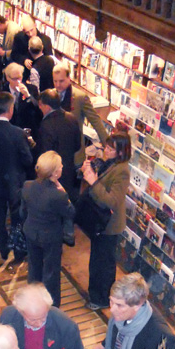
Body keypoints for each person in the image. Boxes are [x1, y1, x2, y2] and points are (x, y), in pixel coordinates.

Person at [81, 132, 131, 310]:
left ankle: (101, 299)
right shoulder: (111, 164)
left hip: (108, 225)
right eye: (106, 147)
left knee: (103, 264)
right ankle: (97, 295)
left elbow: (111, 201)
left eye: (111, 149)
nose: (106, 151)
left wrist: (93, 181)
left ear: (120, 152)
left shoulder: (122, 170)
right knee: (97, 260)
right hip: (99, 222)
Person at [0, 91, 33, 261]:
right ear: (10, 109)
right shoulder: (18, 133)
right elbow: (28, 160)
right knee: (17, 218)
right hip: (14, 183)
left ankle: (3, 250)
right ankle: (18, 251)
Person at [21, 151, 75, 307]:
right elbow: (70, 212)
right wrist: (65, 194)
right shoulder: (58, 196)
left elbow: (23, 211)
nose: (63, 167)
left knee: (34, 267)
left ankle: (32, 301)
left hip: (31, 232)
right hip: (50, 237)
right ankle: (51, 306)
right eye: (60, 165)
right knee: (50, 272)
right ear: (55, 172)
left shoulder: (27, 186)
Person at [52, 63, 108, 169]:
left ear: (69, 78)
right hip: (56, 150)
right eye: (55, 81)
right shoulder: (51, 95)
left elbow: (95, 120)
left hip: (74, 152)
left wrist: (107, 144)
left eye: (61, 81)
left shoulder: (80, 98)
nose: (58, 85)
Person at [36, 89, 81, 200]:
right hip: (70, 171)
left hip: (53, 175)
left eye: (41, 105)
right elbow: (78, 145)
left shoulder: (46, 125)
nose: (40, 108)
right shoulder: (72, 118)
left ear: (47, 107)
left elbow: (45, 152)